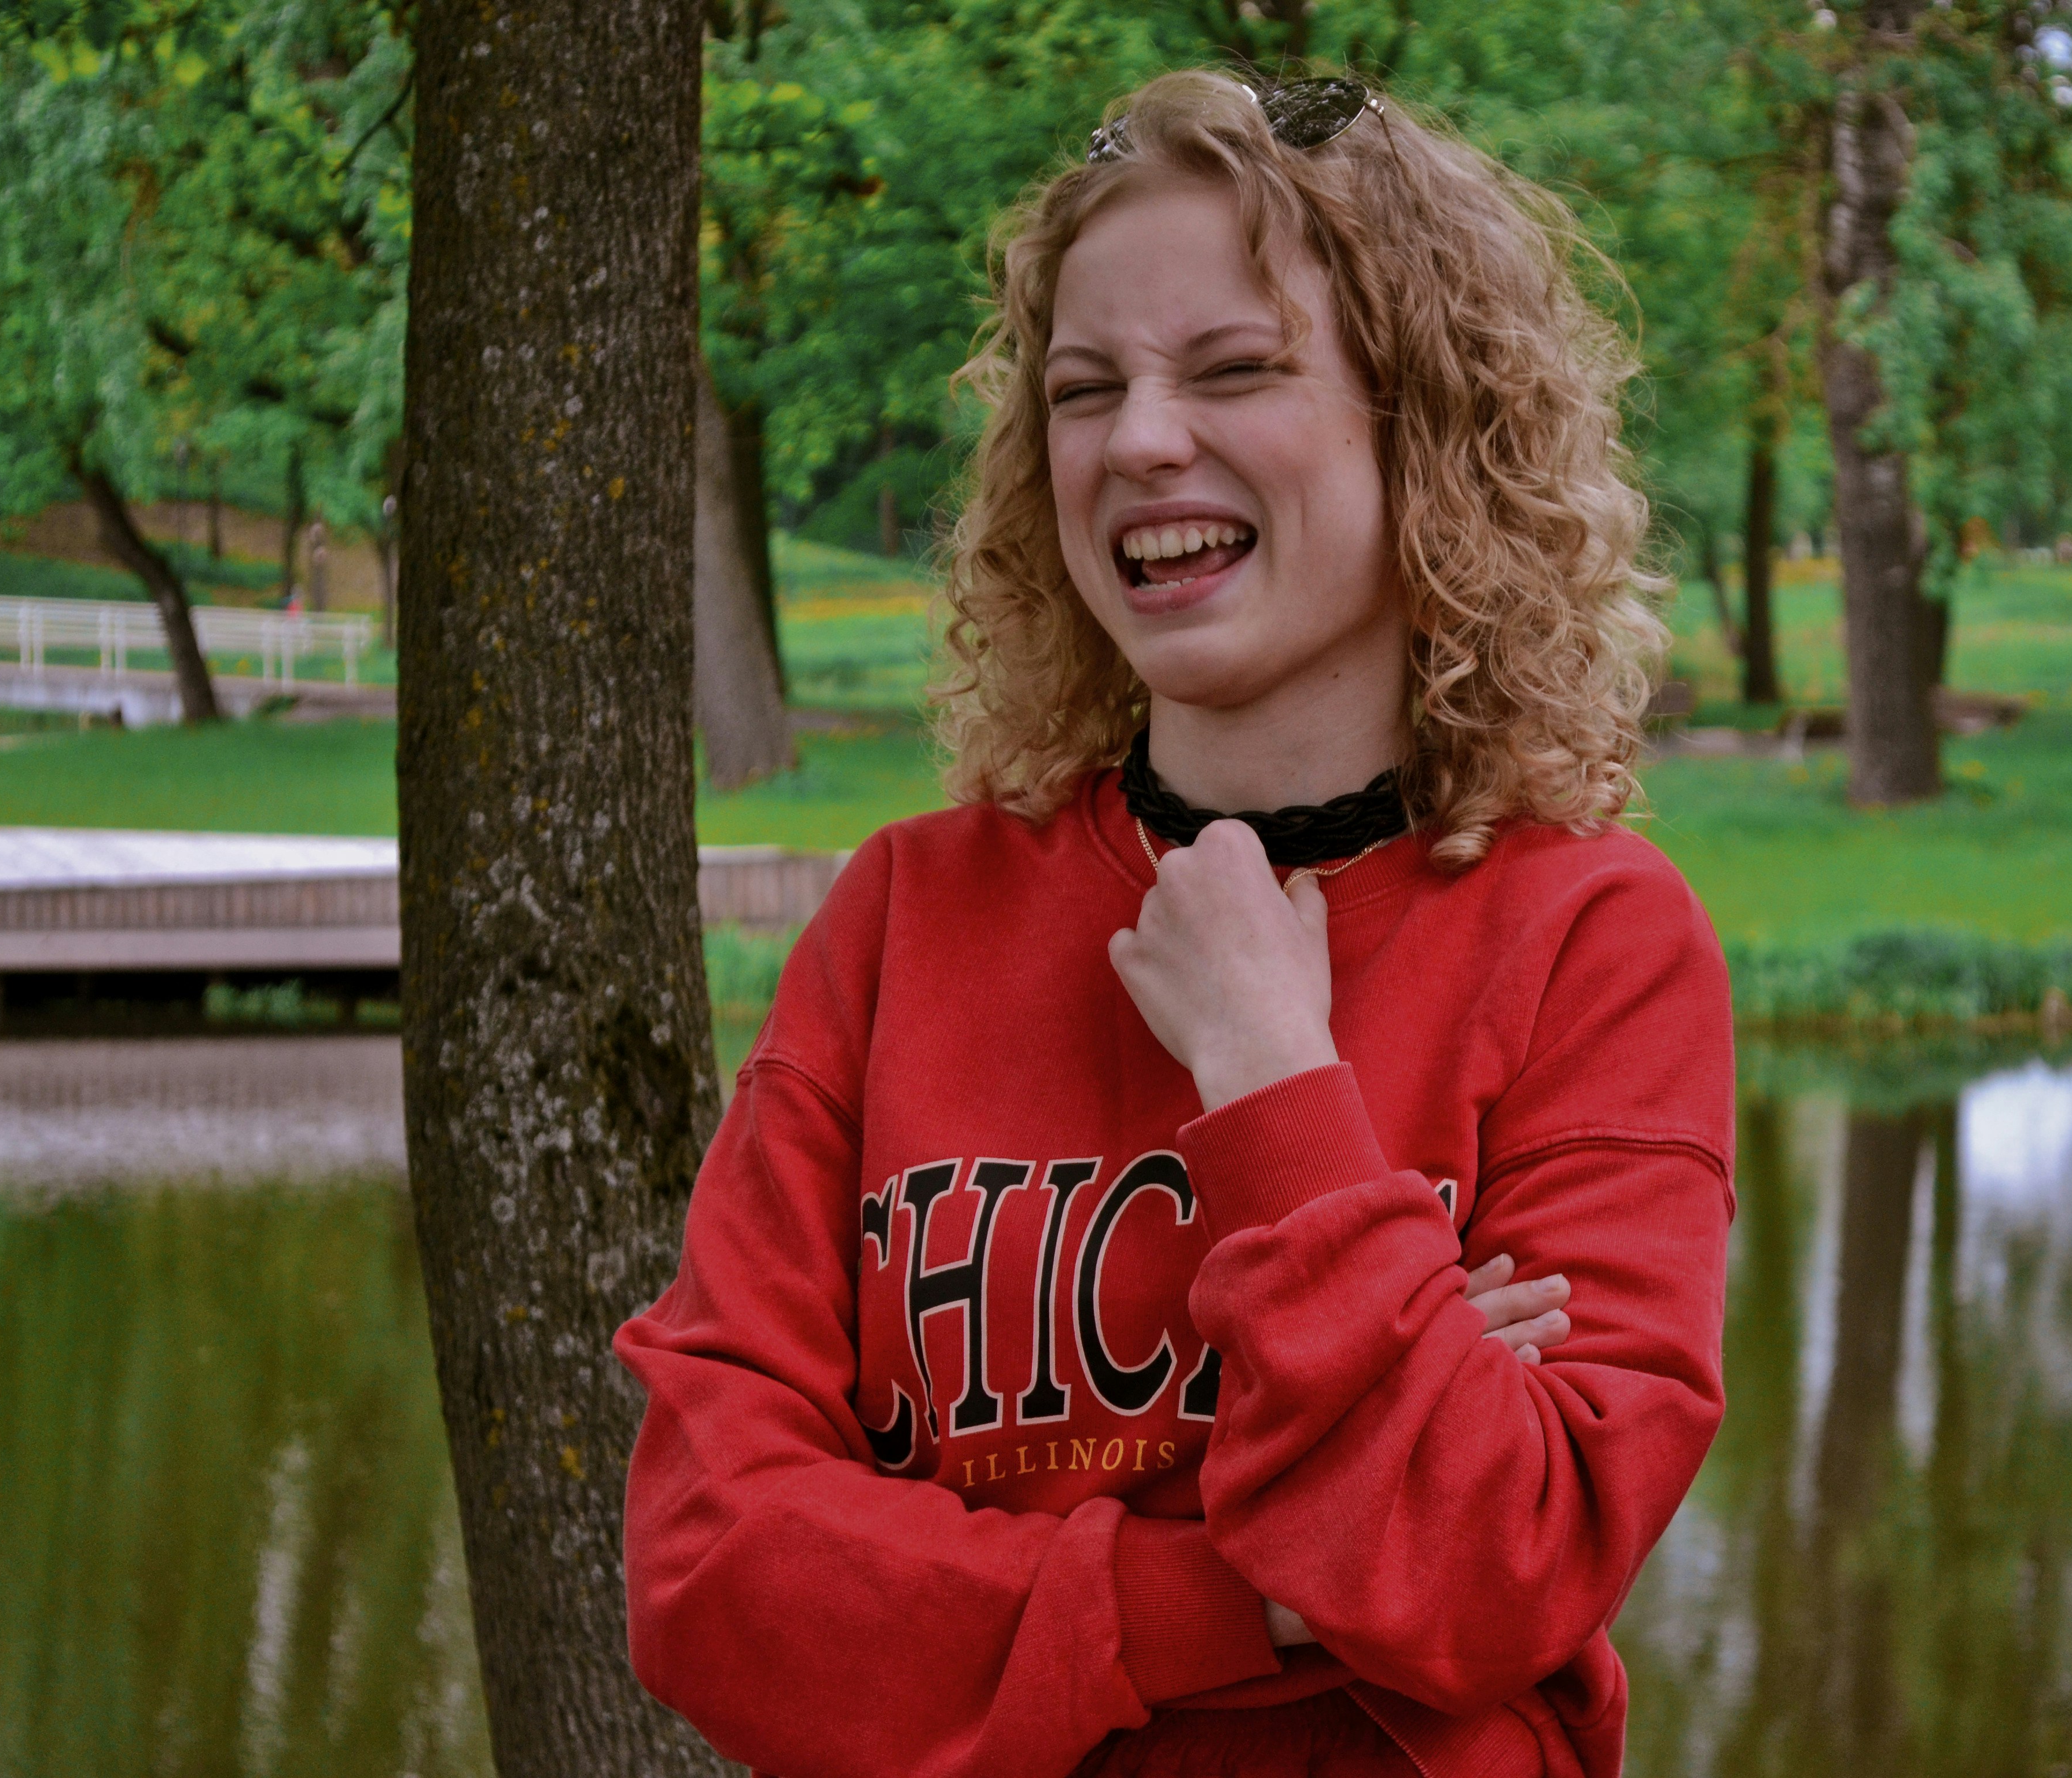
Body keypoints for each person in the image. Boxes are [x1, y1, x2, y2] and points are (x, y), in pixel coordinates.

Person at [615, 70, 1735, 1778]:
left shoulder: (1592, 939)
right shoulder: (905, 919)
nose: (1140, 441)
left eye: (1234, 370)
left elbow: (1493, 1570)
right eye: (1085, 389)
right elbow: (713, 1573)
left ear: (1421, 422)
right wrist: (1255, 1594)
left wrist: (1275, 1076)